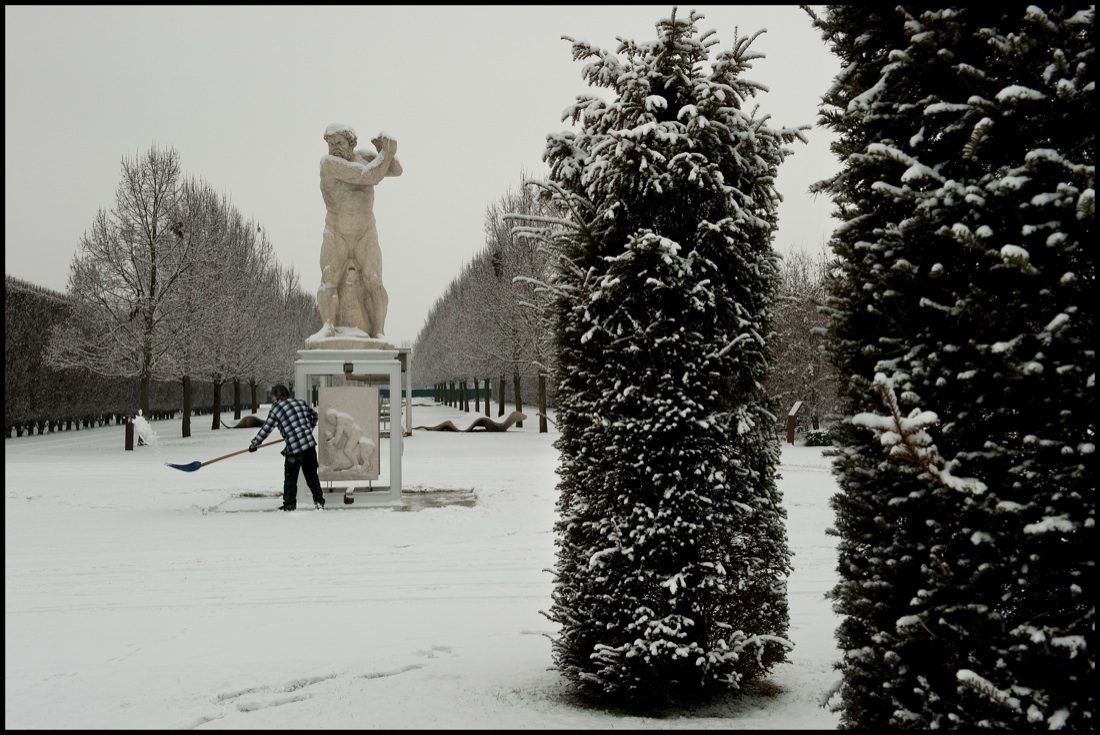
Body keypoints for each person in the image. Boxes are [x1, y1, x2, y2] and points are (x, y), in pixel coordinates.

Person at [316, 123, 403, 339]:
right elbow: (368, 176)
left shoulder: (364, 157)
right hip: (336, 230)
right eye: (331, 143)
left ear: (351, 143)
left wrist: (386, 152)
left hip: (365, 230)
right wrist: (386, 153)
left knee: (374, 280)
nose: (335, 148)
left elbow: (396, 170)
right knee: (329, 279)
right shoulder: (328, 165)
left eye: (340, 142)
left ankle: (379, 331)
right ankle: (328, 326)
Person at [248, 384, 326, 511]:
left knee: (291, 477)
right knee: (312, 475)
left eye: (272, 396)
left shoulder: (276, 409)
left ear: (277, 396)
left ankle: (289, 504)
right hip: (309, 445)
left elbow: (266, 428)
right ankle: (319, 501)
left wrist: (255, 443)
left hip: (295, 448)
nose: (272, 399)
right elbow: (314, 416)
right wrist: (306, 430)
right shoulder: (300, 403)